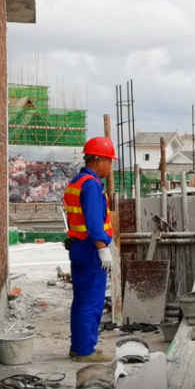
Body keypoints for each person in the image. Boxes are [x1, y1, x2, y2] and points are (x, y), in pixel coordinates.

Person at [63, 137, 117, 363]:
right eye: (109, 162)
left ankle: (77, 347)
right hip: (91, 248)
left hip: (78, 246)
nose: (110, 167)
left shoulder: (76, 181)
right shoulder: (92, 184)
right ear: (98, 160)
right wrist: (103, 248)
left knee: (81, 299)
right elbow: (95, 222)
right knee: (92, 300)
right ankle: (86, 351)